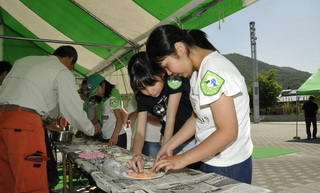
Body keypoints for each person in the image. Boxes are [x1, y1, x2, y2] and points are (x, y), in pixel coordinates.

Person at [146, 24, 253, 184]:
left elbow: (228, 132)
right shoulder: (197, 72)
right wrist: (169, 145)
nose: (169, 73)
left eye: (167, 66)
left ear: (180, 48)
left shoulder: (213, 71)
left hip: (228, 163)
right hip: (210, 157)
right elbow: (197, 117)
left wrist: (182, 159)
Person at [0, 46, 99, 193]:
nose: (70, 70)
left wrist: (46, 120)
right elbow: (72, 107)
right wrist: (90, 129)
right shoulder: (61, 70)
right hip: (24, 124)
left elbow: (31, 97)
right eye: (72, 67)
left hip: (3, 118)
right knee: (30, 182)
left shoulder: (23, 62)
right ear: (70, 60)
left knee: (7, 180)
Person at [126, 52, 198, 173]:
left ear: (161, 71)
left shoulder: (173, 80)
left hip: (192, 137)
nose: (149, 91)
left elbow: (171, 116)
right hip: (170, 139)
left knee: (192, 172)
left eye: (152, 83)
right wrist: (137, 153)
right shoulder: (141, 97)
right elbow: (139, 132)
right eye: (142, 88)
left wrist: (166, 148)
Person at [87, 73, 127, 149]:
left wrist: (115, 135)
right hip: (107, 136)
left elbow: (119, 118)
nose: (97, 94)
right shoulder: (103, 101)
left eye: (97, 90)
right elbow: (107, 120)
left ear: (103, 84)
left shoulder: (112, 99)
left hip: (116, 137)